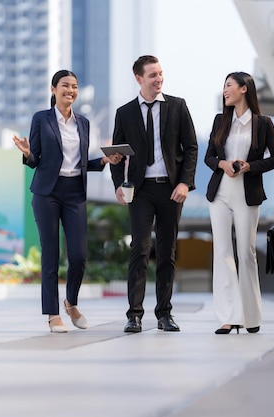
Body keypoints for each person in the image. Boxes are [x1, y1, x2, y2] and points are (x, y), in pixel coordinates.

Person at [13, 70, 121, 333]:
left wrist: (104, 161)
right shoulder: (41, 119)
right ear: (53, 89)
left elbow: (82, 163)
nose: (70, 90)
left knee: (79, 255)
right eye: (65, 86)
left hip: (74, 192)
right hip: (47, 193)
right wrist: (28, 154)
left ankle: (71, 303)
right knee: (51, 255)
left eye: (74, 86)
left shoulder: (83, 123)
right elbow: (36, 161)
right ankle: (53, 315)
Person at [110, 55, 198, 333]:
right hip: (140, 190)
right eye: (152, 75)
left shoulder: (178, 106)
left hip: (171, 188)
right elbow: (116, 153)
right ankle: (134, 314)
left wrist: (185, 183)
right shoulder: (125, 113)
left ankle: (164, 314)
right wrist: (117, 183)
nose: (158, 79)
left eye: (160, 74)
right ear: (139, 79)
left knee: (167, 252)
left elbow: (192, 148)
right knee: (140, 248)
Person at [205, 72, 274, 335]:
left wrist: (251, 166)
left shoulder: (262, 123)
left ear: (243, 89)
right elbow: (209, 156)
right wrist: (222, 163)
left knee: (246, 254)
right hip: (220, 192)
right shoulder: (220, 120)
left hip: (247, 193)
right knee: (223, 253)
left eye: (229, 85)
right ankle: (228, 316)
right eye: (224, 85)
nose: (225, 90)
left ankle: (250, 316)